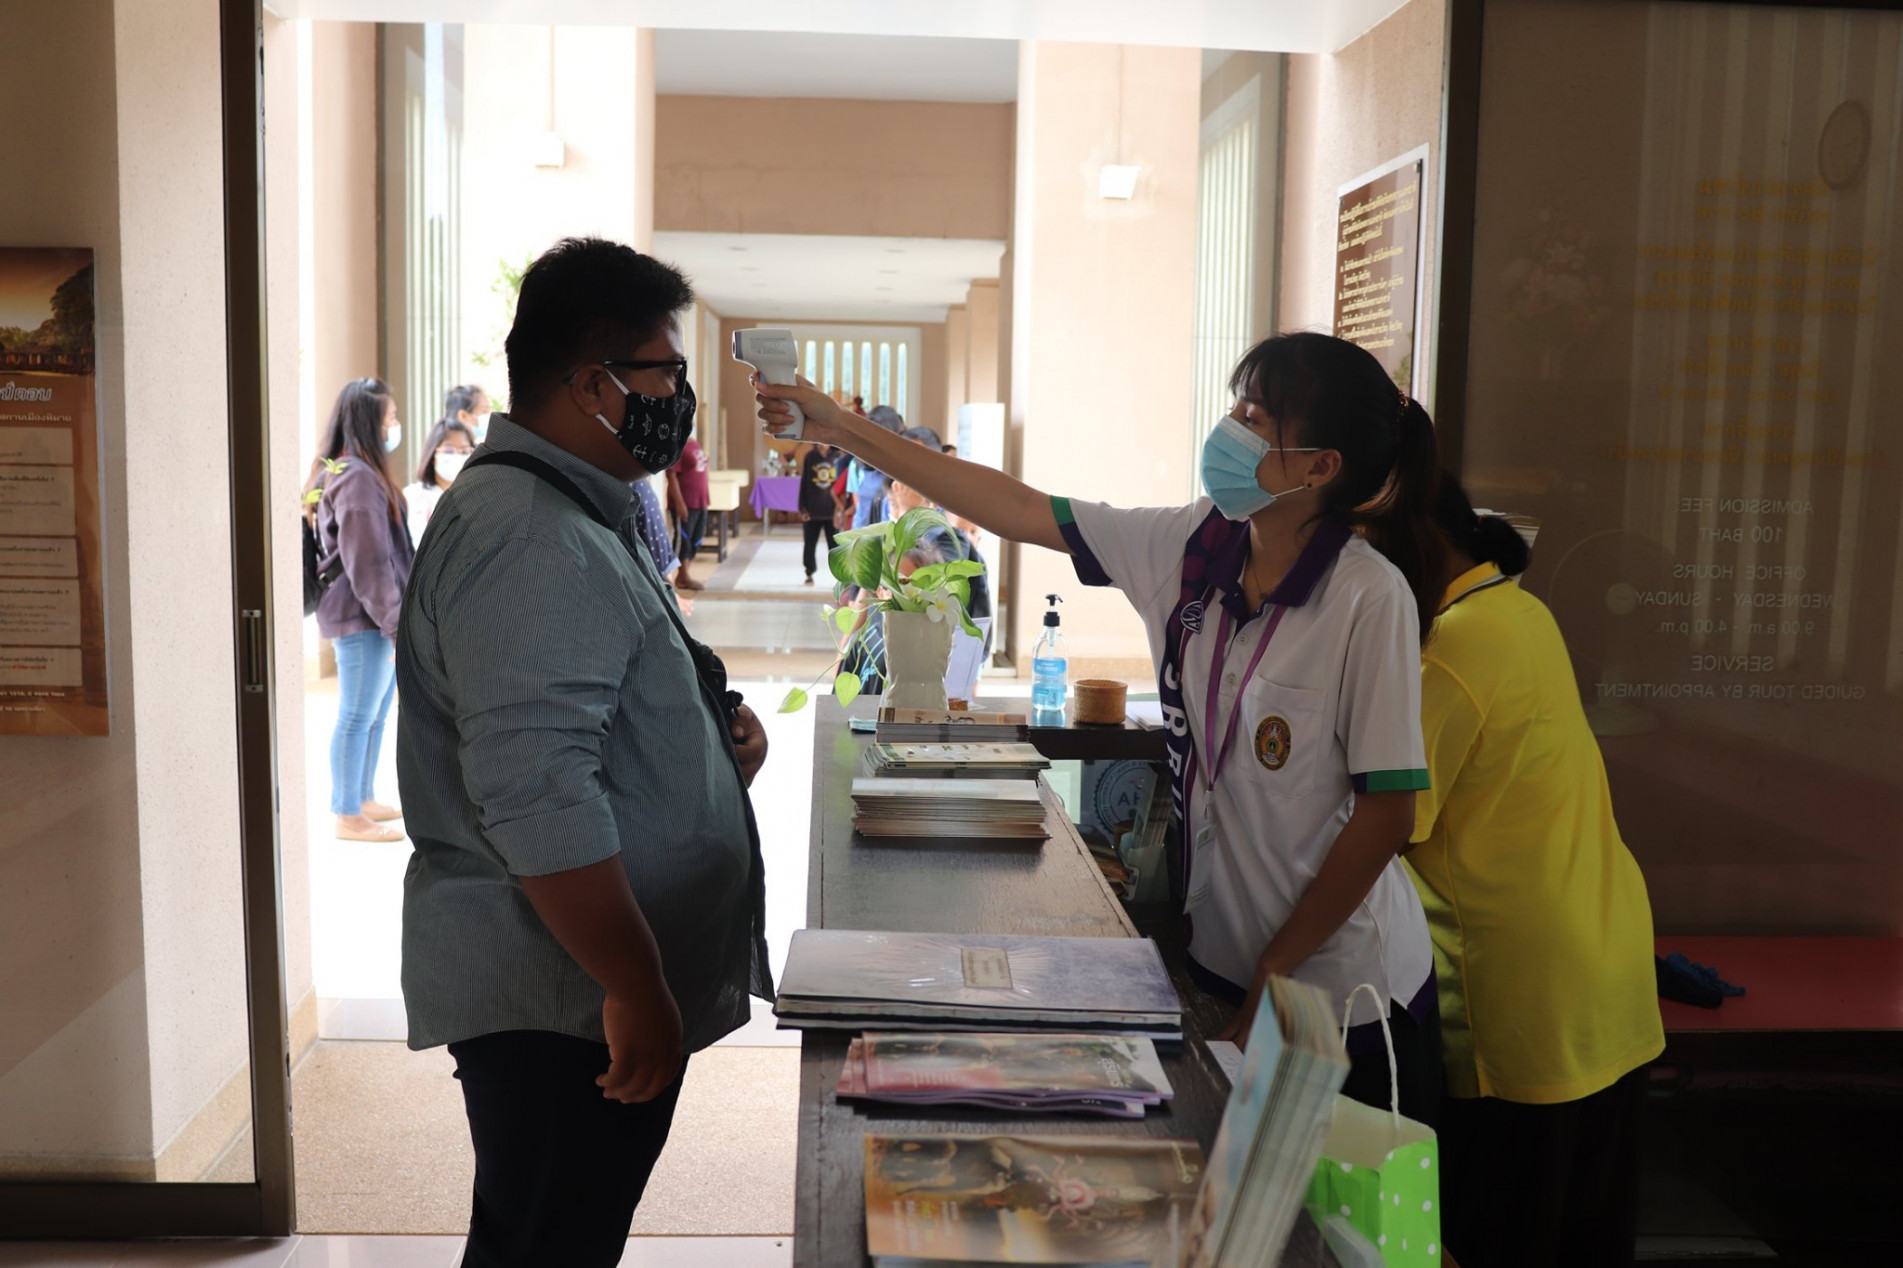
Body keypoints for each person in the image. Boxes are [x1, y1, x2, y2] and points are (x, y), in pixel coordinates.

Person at [759, 331, 1447, 1122]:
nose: (1227, 430)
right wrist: (842, 430)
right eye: (1234, 407)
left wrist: (1280, 972)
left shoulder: (1367, 597)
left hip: (1336, 987)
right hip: (1224, 953)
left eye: (1254, 419)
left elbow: (1389, 809)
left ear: (1320, 466)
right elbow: (1019, 507)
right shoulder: (1191, 544)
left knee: (1321, 1233)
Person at [395, 236, 772, 1267]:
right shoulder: (528, 534)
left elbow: (591, 714)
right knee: (550, 1240)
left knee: (544, 1231)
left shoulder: (580, 510)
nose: (679, 397)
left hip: (582, 988)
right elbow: (536, 793)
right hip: (565, 1000)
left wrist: (707, 740)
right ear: (593, 381)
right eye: (667, 371)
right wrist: (636, 981)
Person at [1407, 474, 1663, 1267]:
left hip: (1519, 1001)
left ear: (1414, 544)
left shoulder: (1451, 647)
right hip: (1604, 976)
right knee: (1584, 1237)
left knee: (1501, 1237)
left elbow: (1387, 817)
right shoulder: (1519, 612)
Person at [307, 376, 414, 844]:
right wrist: (395, 625)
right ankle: (347, 812)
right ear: (370, 424)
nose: (395, 426)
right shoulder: (355, 479)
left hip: (371, 615)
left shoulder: (355, 473)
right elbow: (368, 561)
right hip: (364, 616)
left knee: (374, 711)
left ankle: (363, 798)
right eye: (389, 418)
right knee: (356, 712)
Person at [405, 403, 478, 546]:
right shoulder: (415, 496)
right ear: (432, 454)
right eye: (449, 450)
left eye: (464, 451)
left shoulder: (478, 497)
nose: (457, 456)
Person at [665, 433, 711, 590]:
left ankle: (683, 576)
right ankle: (682, 575)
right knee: (683, 539)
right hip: (685, 502)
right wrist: (679, 503)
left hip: (700, 501)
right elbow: (671, 474)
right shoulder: (678, 443)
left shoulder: (695, 443)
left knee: (696, 539)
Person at [798, 442, 841, 584]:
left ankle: (840, 576)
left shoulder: (837, 456)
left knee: (835, 547)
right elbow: (804, 483)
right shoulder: (810, 457)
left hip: (832, 511)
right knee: (810, 544)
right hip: (812, 511)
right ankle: (809, 572)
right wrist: (802, 508)